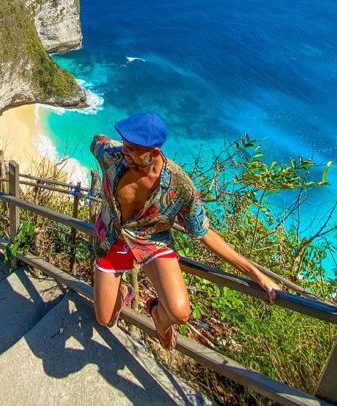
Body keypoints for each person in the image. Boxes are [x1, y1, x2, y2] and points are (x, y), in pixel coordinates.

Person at [90, 111, 278, 348]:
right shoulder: (111, 156)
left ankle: (158, 316)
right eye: (124, 144)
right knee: (104, 318)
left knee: (180, 313)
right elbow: (96, 140)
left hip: (153, 241)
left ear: (154, 153)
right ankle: (125, 290)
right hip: (112, 237)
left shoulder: (179, 185)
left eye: (132, 149)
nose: (124, 151)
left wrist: (255, 273)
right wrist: (114, 143)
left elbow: (204, 232)